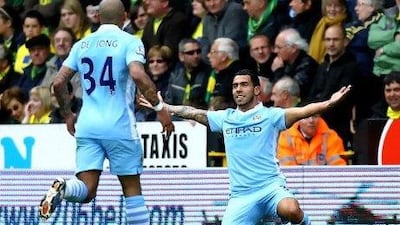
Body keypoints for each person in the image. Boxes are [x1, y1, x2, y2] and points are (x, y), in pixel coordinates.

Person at [139, 69, 351, 224]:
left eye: (244, 84)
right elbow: (193, 112)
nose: (238, 89)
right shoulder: (226, 118)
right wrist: (163, 106)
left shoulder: (270, 115)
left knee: (292, 208)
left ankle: (306, 223)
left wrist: (328, 103)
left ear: (257, 89)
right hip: (241, 196)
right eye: (235, 86)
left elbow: (303, 111)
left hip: (270, 188)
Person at [38, 0, 175, 224]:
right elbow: (138, 75)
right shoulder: (130, 42)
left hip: (88, 125)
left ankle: (64, 187)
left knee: (86, 190)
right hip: (119, 125)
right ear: (124, 17)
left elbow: (58, 82)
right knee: (132, 190)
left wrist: (68, 114)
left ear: (99, 17)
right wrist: (160, 109)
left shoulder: (82, 44)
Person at [277, 113, 347, 166]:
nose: (311, 120)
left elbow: (338, 168)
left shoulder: (331, 136)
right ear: (299, 119)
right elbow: (287, 169)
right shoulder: (286, 137)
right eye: (306, 117)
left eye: (315, 116)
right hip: (295, 183)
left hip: (324, 183)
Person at [272, 28, 318, 99]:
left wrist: (278, 71)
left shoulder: (307, 65)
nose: (275, 51)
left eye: (279, 47)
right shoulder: (285, 62)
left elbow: (289, 92)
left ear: (293, 48)